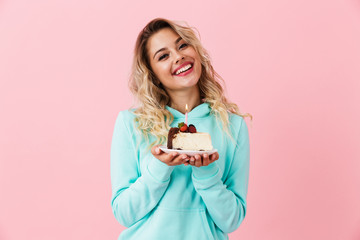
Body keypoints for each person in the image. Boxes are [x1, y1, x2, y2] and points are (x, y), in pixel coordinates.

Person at [110, 18, 251, 240]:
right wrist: (159, 167)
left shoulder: (232, 126)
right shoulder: (131, 124)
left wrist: (207, 174)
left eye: (182, 45)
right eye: (163, 56)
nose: (178, 57)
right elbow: (124, 214)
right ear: (152, 73)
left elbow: (232, 220)